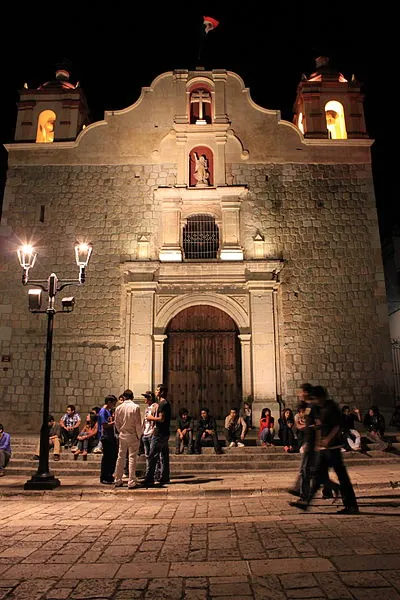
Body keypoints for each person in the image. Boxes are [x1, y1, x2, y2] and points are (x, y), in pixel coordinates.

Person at [289, 385, 359, 514]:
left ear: (322, 397)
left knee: (342, 477)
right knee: (318, 475)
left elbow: (338, 425)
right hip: (321, 448)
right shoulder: (315, 408)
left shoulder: (331, 407)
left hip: (333, 448)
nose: (315, 401)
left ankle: (351, 505)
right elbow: (315, 427)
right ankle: (307, 502)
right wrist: (315, 444)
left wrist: (328, 439)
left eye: (316, 399)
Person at [140, 383, 172, 487]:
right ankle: (165, 477)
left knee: (152, 456)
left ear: (162, 392)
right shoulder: (166, 403)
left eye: (158, 390)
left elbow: (161, 419)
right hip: (165, 433)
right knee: (164, 456)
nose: (156, 392)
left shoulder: (162, 404)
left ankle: (149, 478)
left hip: (159, 433)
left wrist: (150, 418)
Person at [114, 389, 143, 489]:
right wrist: (139, 435)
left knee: (120, 457)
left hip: (123, 434)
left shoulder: (118, 408)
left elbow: (116, 423)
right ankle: (131, 480)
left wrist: (120, 431)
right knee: (132, 458)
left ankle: (118, 479)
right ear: (132, 397)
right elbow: (138, 423)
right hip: (132, 434)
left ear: (124, 397)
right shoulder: (136, 407)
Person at [99, 395, 118, 485]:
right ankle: (105, 476)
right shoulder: (103, 412)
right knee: (107, 458)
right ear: (109, 402)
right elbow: (105, 425)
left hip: (110, 436)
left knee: (112, 457)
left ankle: (109, 475)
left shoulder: (108, 411)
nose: (114, 405)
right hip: (106, 437)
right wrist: (115, 422)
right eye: (114, 403)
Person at [141, 390, 159, 468]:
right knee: (147, 455)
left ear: (150, 398)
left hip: (151, 433)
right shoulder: (147, 408)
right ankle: (149, 473)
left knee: (154, 455)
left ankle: (156, 473)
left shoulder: (156, 406)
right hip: (145, 433)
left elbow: (157, 419)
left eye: (146, 397)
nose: (144, 399)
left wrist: (154, 430)